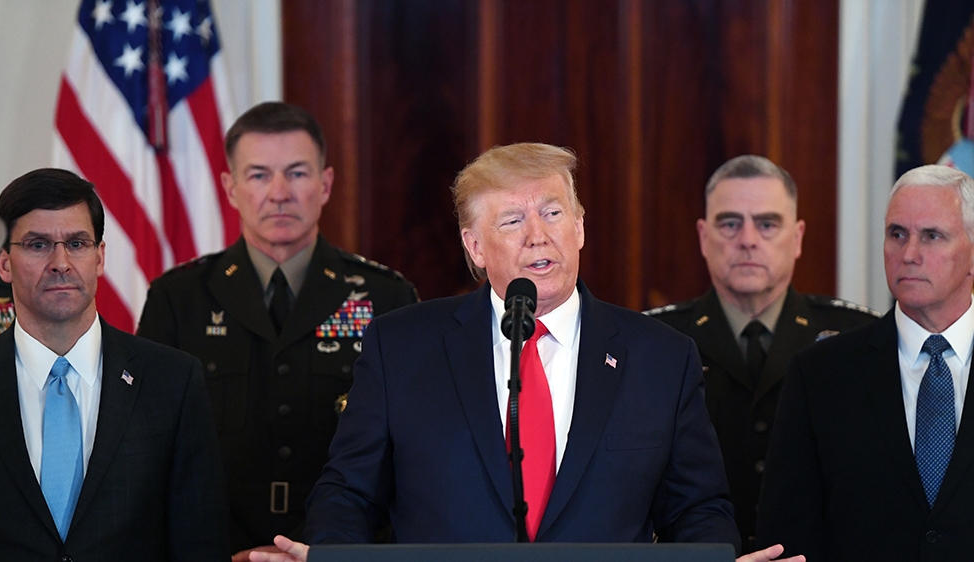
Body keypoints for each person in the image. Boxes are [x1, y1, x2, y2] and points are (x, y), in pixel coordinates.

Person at [249, 143, 801, 562]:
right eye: (512, 220)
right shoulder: (403, 347)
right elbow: (347, 494)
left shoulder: (660, 356)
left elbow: (698, 509)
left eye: (554, 213)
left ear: (581, 226)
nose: (538, 236)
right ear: (474, 245)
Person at [136, 102, 419, 559]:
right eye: (259, 175)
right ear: (230, 188)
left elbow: (408, 455)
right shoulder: (179, 299)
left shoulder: (386, 299)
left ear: (325, 184)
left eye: (297, 173)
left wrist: (325, 550)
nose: (279, 193)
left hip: (341, 552)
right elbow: (149, 449)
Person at [0, 168, 229, 560]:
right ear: (4, 263)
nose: (61, 262)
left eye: (77, 243)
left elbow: (199, 545)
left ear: (100, 257)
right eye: (38, 245)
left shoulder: (174, 381)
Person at [645, 155, 879, 552]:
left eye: (767, 224)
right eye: (730, 223)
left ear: (798, 237)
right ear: (704, 237)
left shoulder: (856, 337)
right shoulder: (654, 341)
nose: (748, 239)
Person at [757, 165, 974, 560]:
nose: (909, 254)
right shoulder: (820, 373)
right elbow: (787, 537)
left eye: (932, 236)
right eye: (897, 234)